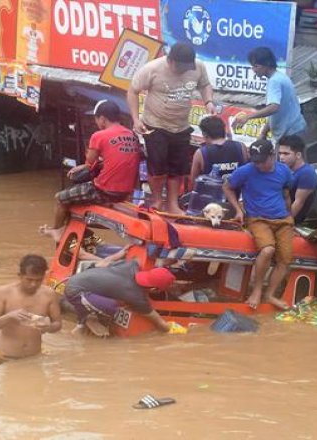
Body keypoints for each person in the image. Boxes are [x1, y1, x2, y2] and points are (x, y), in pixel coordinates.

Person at [127, 42, 216, 215]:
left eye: (188, 67)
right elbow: (132, 91)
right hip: (155, 125)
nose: (185, 71)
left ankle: (173, 204)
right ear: (171, 61)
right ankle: (157, 200)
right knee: (157, 166)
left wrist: (209, 101)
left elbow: (205, 85)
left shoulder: (198, 67)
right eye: (182, 67)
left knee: (177, 168)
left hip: (181, 126)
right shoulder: (152, 69)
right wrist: (135, 119)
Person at [40, 100, 141, 242]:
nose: (96, 123)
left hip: (103, 191)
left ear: (102, 119)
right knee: (74, 201)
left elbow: (90, 162)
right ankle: (83, 238)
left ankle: (57, 231)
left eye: (96, 119)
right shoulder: (132, 136)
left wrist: (85, 163)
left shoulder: (98, 136)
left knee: (60, 198)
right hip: (126, 192)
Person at [223, 140, 294, 310]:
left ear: (272, 155)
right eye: (256, 161)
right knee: (268, 249)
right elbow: (227, 187)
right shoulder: (246, 171)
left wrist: (291, 217)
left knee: (285, 260)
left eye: (262, 161)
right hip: (258, 219)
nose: (259, 165)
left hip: (283, 219)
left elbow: (286, 194)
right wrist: (238, 210)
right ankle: (256, 290)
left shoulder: (284, 171)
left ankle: (269, 295)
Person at [63, 261, 182, 336]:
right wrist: (176, 331)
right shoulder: (136, 296)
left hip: (77, 279)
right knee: (111, 306)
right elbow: (159, 322)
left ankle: (82, 323)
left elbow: (107, 263)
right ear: (154, 289)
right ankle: (89, 317)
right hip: (75, 291)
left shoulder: (132, 265)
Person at [0, 255, 62, 364]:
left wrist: (48, 328)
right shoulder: (3, 293)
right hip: (5, 358)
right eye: (29, 279)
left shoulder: (49, 294)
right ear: (20, 276)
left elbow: (58, 324)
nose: (33, 284)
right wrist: (9, 317)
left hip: (34, 357)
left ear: (44, 276)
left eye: (38, 280)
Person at [232, 47, 306, 146]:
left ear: (267, 65)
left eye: (256, 66)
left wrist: (248, 117)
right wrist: (264, 132)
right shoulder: (279, 77)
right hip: (295, 130)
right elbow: (274, 112)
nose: (253, 70)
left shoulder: (274, 81)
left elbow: (274, 108)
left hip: (291, 133)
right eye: (252, 66)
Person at [190, 116, 249, 182]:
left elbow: (194, 181)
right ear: (223, 131)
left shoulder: (200, 153)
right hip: (237, 191)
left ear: (204, 134)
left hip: (210, 191)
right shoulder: (241, 146)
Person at [277, 134, 317, 224]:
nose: (281, 157)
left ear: (298, 155)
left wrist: (282, 223)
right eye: (280, 153)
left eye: (286, 154)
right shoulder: (284, 169)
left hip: (288, 218)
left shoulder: (307, 173)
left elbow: (298, 203)